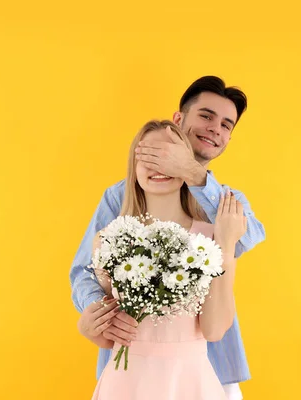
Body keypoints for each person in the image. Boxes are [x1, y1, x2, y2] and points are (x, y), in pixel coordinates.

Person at [71, 76, 266, 399]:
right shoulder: (120, 195)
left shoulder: (225, 200)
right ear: (179, 119)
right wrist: (100, 314)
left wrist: (194, 175)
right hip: (131, 366)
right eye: (205, 115)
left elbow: (242, 240)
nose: (215, 128)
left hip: (209, 367)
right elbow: (85, 270)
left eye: (226, 124)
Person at [91, 120, 246, 399]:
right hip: (126, 382)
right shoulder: (107, 239)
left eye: (168, 155)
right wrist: (88, 327)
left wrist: (226, 246)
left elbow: (213, 330)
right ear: (133, 168)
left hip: (189, 383)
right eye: (149, 155)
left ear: (184, 163)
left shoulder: (210, 237)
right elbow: (108, 329)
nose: (159, 166)